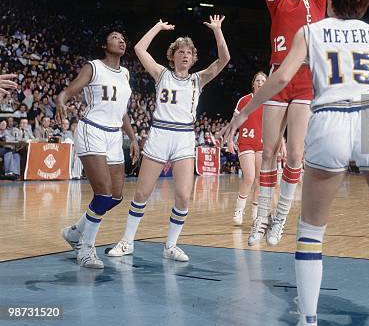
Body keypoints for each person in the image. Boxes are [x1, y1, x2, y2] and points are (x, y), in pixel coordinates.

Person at [223, 0, 369, 326]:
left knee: (312, 231)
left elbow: (281, 79)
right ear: (363, 6)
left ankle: (309, 319)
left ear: (329, 0)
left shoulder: (310, 32)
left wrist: (244, 113)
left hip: (329, 117)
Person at [107, 16, 229, 262]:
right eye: (180, 51)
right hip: (160, 134)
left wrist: (217, 30)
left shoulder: (198, 79)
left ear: (193, 58)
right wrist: (158, 27)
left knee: (184, 196)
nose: (185, 55)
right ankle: (127, 241)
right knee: (142, 193)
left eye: (189, 53)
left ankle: (170, 245)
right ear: (172, 56)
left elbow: (224, 59)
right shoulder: (161, 74)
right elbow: (140, 48)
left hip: (184, 137)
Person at [252, 0, 327, 246]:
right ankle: (261, 217)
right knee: (268, 152)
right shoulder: (278, 1)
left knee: (295, 154)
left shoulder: (317, 2)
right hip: (277, 76)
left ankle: (280, 217)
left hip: (305, 78)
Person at [57, 28, 140, 269]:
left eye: (123, 39)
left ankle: (74, 232)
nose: (121, 41)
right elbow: (71, 90)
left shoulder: (125, 73)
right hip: (91, 129)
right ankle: (85, 249)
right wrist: (62, 99)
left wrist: (133, 138)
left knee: (115, 196)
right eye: (115, 38)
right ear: (104, 45)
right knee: (102, 194)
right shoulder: (93, 67)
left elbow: (121, 111)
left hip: (114, 135)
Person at [231, 71, 267, 225]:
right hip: (245, 142)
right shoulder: (244, 100)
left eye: (263, 80)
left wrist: (282, 143)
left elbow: (275, 125)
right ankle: (239, 211)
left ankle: (255, 214)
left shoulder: (270, 102)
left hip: (262, 144)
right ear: (253, 84)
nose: (260, 82)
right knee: (249, 177)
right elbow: (234, 121)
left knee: (259, 181)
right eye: (257, 80)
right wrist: (230, 140)